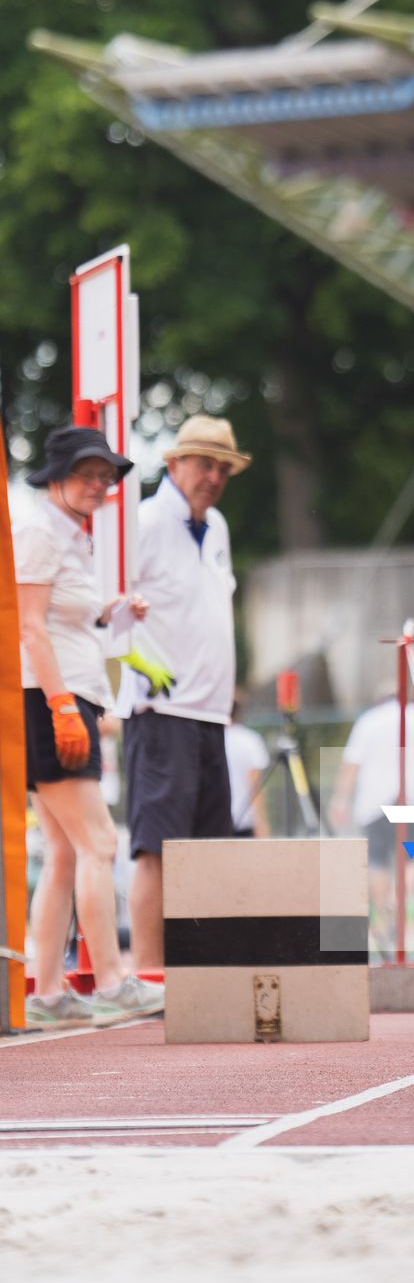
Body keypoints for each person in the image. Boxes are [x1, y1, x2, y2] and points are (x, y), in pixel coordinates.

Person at [13, 424, 164, 1028]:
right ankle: (111, 982)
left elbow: (60, 615)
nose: (99, 485)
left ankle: (46, 994)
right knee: (98, 843)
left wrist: (112, 609)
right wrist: (61, 705)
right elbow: (28, 626)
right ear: (56, 476)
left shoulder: (70, 533)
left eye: (106, 476)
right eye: (87, 473)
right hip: (51, 698)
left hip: (65, 695)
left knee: (65, 852)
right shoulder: (39, 530)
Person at [121, 414, 250, 972]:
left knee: (207, 854)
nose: (214, 475)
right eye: (204, 463)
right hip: (162, 710)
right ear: (174, 463)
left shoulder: (216, 527)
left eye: (223, 467)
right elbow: (107, 611)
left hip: (211, 713)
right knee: (157, 849)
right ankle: (149, 976)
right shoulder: (143, 523)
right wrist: (144, 671)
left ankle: (199, 976)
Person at [329, 685, 414, 949]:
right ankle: (397, 895)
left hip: (375, 803)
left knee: (378, 859)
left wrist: (340, 799)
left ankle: (384, 917)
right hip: (410, 800)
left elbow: (351, 764)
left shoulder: (368, 721)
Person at [224, 709, 271, 839]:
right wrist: (261, 823)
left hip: (215, 819)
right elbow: (255, 785)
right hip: (244, 820)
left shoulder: (207, 741)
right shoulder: (250, 740)